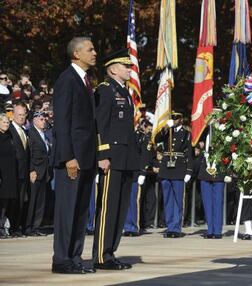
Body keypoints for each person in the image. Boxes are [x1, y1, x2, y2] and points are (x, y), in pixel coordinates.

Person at [92, 48, 144, 270]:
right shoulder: (105, 91)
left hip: (125, 158)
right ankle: (102, 256)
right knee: (108, 207)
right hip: (111, 158)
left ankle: (111, 252)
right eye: (125, 66)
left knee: (121, 208)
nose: (129, 69)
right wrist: (102, 154)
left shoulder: (124, 91)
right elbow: (100, 124)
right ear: (113, 69)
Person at [51, 36, 97, 274]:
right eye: (90, 49)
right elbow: (62, 121)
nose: (95, 52)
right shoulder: (67, 80)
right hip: (72, 158)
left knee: (80, 211)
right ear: (76, 54)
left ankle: (75, 258)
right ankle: (61, 259)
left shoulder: (86, 80)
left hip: (86, 157)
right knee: (67, 211)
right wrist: (69, 156)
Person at [155, 111, 193, 238]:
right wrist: (166, 127)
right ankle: (170, 227)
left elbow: (189, 153)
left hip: (179, 168)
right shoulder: (166, 132)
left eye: (177, 118)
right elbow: (156, 139)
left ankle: (176, 228)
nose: (174, 120)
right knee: (167, 200)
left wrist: (189, 170)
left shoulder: (186, 134)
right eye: (173, 118)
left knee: (178, 200)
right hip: (166, 168)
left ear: (181, 119)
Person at [25, 111, 50, 236]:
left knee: (40, 202)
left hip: (44, 172)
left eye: (44, 119)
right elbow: (29, 154)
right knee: (33, 201)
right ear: (34, 120)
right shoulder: (31, 133)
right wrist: (31, 170)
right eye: (41, 119)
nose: (43, 121)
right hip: (35, 171)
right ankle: (28, 227)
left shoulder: (43, 134)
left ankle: (36, 226)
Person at [8, 101, 30, 237]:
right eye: (19, 115)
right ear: (13, 115)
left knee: (21, 202)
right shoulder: (9, 130)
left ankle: (16, 227)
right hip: (13, 172)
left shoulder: (24, 130)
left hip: (23, 172)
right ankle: (11, 228)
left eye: (23, 115)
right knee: (13, 202)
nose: (21, 117)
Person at [0, 113, 17, 238]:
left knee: (6, 202)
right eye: (4, 122)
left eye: (7, 122)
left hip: (9, 175)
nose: (6, 124)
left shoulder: (9, 136)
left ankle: (3, 226)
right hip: (1, 174)